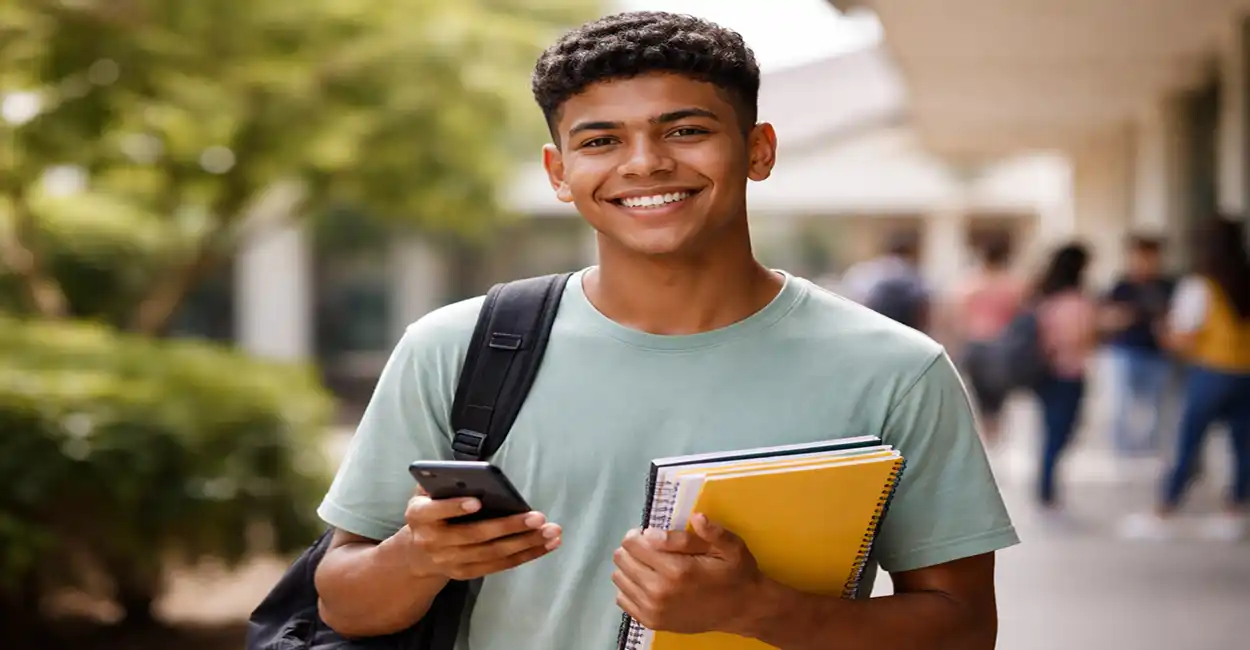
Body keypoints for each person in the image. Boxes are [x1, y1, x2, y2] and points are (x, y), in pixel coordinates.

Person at [312, 12, 1018, 650]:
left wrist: (761, 609)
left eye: (686, 131)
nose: (645, 162)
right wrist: (419, 558)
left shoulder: (898, 370)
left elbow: (964, 629)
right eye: (601, 140)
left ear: (759, 150)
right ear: (560, 172)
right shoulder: (453, 348)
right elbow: (341, 602)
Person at [1120, 217, 1250, 542]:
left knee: (1188, 442)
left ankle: (1165, 509)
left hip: (1211, 372)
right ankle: (1235, 512)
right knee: (1243, 446)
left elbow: (1183, 337)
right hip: (1245, 373)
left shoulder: (1201, 285)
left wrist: (1162, 330)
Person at [1030, 243, 1099, 515]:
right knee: (1060, 433)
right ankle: (1046, 487)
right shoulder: (1076, 302)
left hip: (1045, 374)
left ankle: (1046, 484)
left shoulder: (1043, 298)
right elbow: (1079, 337)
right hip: (1068, 374)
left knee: (1051, 431)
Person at [1100, 234, 1176, 456]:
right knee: (1120, 404)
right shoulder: (1122, 286)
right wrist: (1126, 316)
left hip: (1157, 353)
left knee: (1158, 405)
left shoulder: (1167, 286)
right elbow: (1106, 319)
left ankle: (1152, 448)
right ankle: (1120, 449)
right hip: (1126, 351)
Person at [949, 234, 1028, 448]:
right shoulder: (1013, 285)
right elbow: (1022, 316)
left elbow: (957, 317)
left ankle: (987, 439)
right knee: (998, 400)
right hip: (1003, 347)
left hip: (975, 345)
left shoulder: (970, 284)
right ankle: (995, 438)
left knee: (980, 397)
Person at [839, 231, 933, 332]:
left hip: (875, 323)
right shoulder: (914, 273)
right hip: (908, 328)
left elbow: (854, 296)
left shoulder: (870, 270)